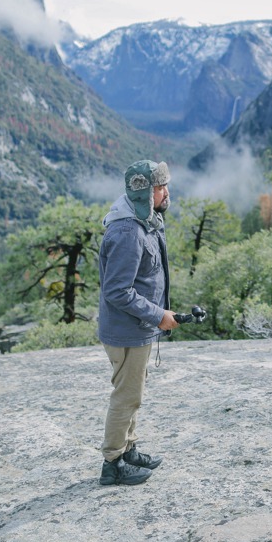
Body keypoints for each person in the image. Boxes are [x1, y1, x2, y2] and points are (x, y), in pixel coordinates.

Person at [96, 159, 179, 486]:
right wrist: (159, 316)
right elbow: (117, 290)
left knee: (134, 392)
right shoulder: (129, 231)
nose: (166, 192)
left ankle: (128, 449)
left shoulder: (143, 221)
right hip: (127, 331)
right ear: (144, 191)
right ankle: (113, 462)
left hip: (136, 328)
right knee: (127, 396)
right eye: (161, 187)